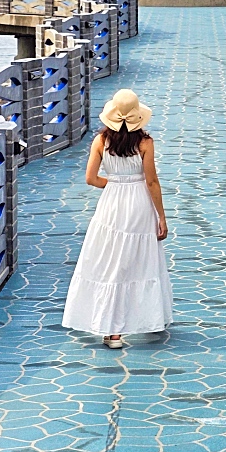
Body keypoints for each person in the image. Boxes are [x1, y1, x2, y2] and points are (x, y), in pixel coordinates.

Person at [61, 88, 172, 348]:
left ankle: (111, 332)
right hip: (139, 205)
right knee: (138, 262)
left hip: (111, 204)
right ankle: (149, 318)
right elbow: (152, 182)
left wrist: (113, 184)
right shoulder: (145, 143)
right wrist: (162, 217)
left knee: (109, 262)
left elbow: (90, 179)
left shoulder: (100, 141)